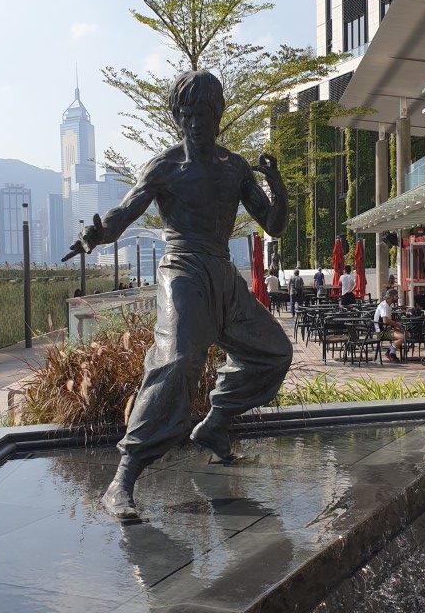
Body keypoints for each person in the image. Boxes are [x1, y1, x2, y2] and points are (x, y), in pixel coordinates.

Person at [62, 70, 292, 520]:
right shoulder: (164, 166)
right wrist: (97, 235)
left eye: (205, 112)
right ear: (177, 116)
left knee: (274, 353)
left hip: (223, 274)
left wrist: (277, 186)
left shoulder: (235, 167)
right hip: (183, 271)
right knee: (178, 359)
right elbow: (124, 212)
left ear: (218, 115)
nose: (197, 121)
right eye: (188, 112)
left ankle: (216, 425)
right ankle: (123, 480)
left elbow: (275, 225)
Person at [373, 288, 404, 363]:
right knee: (402, 337)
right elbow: (385, 320)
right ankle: (391, 352)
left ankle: (391, 351)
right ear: (391, 297)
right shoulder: (384, 306)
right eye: (396, 296)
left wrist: (396, 326)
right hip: (381, 332)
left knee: (405, 333)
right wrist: (397, 325)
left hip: (386, 329)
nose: (397, 298)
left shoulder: (388, 304)